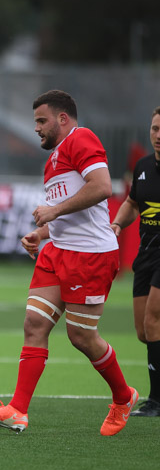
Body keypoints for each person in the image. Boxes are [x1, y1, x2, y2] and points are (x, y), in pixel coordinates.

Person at [0, 90, 138, 435]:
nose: (36, 128)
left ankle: (123, 397)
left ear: (63, 119)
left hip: (90, 256)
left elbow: (103, 187)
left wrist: (53, 211)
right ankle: (18, 410)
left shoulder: (82, 138)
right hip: (57, 252)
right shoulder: (52, 161)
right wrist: (43, 233)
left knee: (81, 337)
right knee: (34, 324)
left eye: (41, 120)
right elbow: (71, 210)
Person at [105, 105, 160, 417]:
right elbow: (131, 202)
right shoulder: (142, 167)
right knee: (144, 331)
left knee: (154, 320)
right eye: (155, 129)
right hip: (147, 255)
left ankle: (156, 400)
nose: (158, 135)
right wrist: (116, 224)